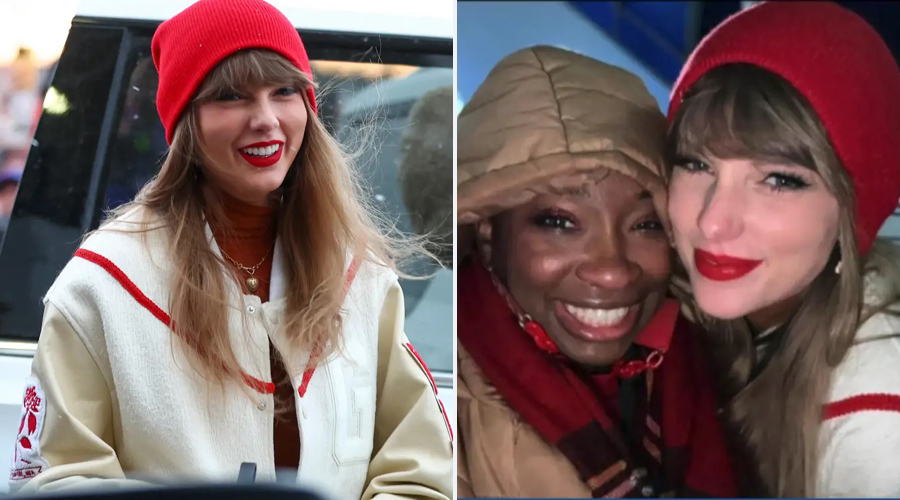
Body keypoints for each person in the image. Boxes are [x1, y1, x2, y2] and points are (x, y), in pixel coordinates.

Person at [7, 0, 453, 497]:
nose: (266, 119)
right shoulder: (102, 287)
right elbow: (58, 479)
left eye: (284, 90)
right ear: (185, 124)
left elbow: (420, 471)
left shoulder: (359, 274)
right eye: (231, 96)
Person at [456, 45, 736, 498]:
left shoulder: (717, 356)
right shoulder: (438, 400)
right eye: (560, 223)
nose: (613, 272)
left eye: (646, 224)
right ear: (488, 233)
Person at [665, 1, 900, 497]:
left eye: (778, 179)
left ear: (853, 209)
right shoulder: (671, 314)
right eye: (696, 164)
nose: (712, 221)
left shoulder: (879, 427)